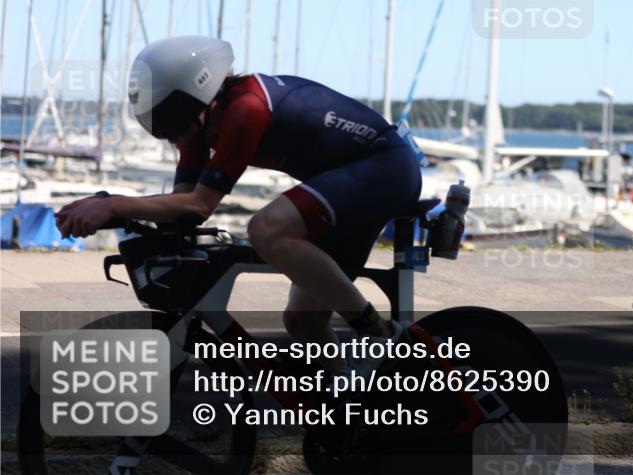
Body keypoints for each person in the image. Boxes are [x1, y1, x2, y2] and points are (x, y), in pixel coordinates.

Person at [56, 36, 422, 368]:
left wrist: (115, 205)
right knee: (303, 322)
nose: (171, 139)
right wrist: (103, 203)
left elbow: (200, 205)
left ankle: (382, 334)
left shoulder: (246, 107)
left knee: (266, 229)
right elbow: (180, 206)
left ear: (195, 102)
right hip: (349, 184)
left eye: (170, 124)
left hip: (385, 168)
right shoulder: (199, 125)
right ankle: (347, 409)